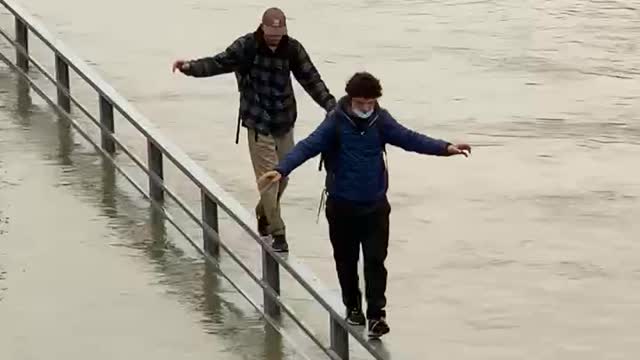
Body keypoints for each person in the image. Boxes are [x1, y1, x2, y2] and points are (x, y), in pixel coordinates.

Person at [257, 72, 471, 338]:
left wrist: (445, 147)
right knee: (346, 261)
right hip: (342, 207)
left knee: (375, 261)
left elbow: (410, 138)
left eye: (371, 103)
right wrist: (281, 169)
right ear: (350, 99)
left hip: (375, 207)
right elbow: (308, 146)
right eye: (361, 103)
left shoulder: (382, 120)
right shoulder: (335, 120)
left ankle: (377, 315)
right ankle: (353, 307)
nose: (366, 108)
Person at [172, 7, 336, 252]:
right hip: (258, 122)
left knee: (284, 177)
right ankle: (279, 233)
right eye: (271, 33)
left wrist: (330, 105)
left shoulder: (292, 49)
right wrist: (190, 67)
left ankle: (263, 212)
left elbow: (311, 79)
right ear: (262, 27)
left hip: (284, 121)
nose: (274, 38)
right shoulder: (246, 46)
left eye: (279, 34)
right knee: (269, 179)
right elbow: (218, 63)